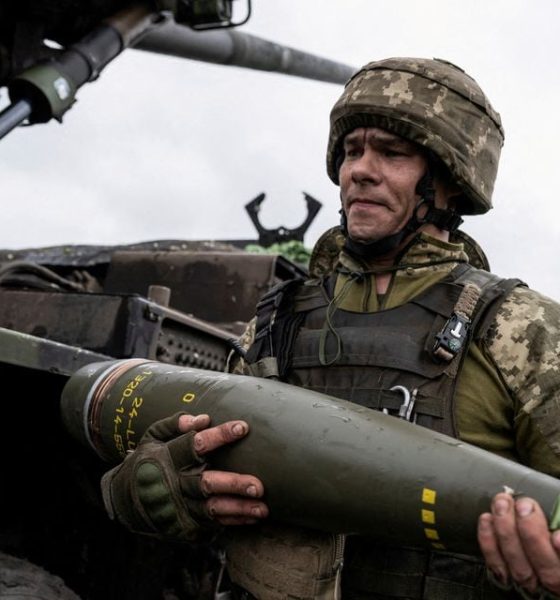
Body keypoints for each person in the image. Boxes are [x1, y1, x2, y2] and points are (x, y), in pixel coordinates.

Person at [100, 57, 560, 599]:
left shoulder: (521, 329)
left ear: (450, 182)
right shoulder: (275, 324)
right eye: (351, 151)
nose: (359, 170)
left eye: (392, 153)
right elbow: (202, 482)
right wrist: (150, 491)